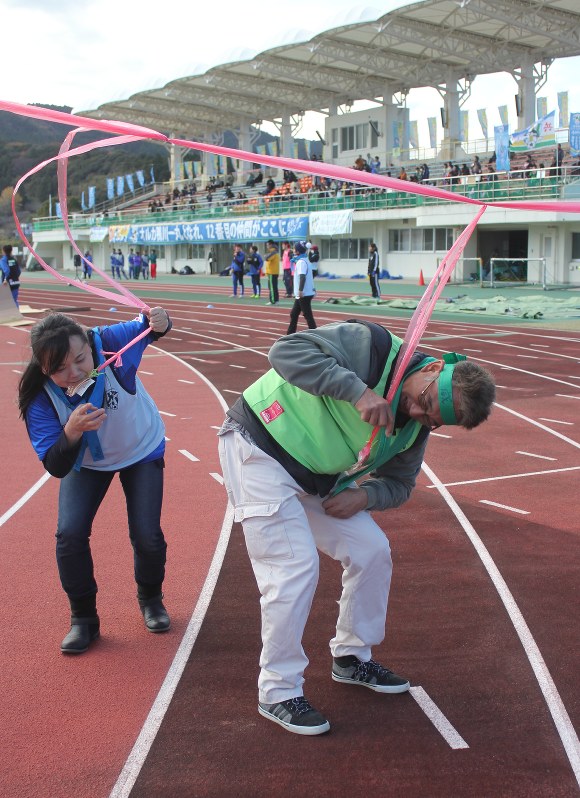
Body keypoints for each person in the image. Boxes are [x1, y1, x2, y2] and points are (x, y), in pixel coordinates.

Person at [218, 320, 496, 735]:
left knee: (372, 551)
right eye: (422, 401)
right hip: (258, 448)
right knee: (293, 569)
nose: (417, 414)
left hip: (316, 479)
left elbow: (400, 485)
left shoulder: (415, 427)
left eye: (431, 419)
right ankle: (277, 690)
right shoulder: (373, 346)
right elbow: (285, 353)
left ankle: (352, 658)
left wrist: (364, 497)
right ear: (434, 367)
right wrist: (358, 391)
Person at [18, 307, 173, 654]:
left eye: (80, 360)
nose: (73, 373)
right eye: (58, 369)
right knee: (69, 534)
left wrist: (161, 321)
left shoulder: (109, 341)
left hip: (140, 448)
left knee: (147, 535)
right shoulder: (38, 395)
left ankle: (151, 599)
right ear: (43, 368)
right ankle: (83, 620)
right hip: (85, 463)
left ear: (89, 343)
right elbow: (55, 466)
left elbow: (150, 326)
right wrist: (71, 432)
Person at [286, 242, 317, 335]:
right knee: (294, 314)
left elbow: (302, 277)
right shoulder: (305, 260)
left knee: (308, 316)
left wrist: (300, 290)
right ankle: (290, 334)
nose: (293, 250)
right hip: (304, 293)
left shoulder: (301, 262)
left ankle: (316, 335)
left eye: (294, 248)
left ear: (298, 251)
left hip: (303, 294)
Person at [264, 240, 280, 305]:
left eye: (267, 245)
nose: (267, 246)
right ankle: (276, 300)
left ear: (270, 245)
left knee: (272, 287)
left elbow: (267, 258)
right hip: (274, 271)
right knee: (274, 286)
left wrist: (266, 255)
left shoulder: (273, 251)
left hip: (272, 272)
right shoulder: (275, 251)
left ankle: (272, 300)